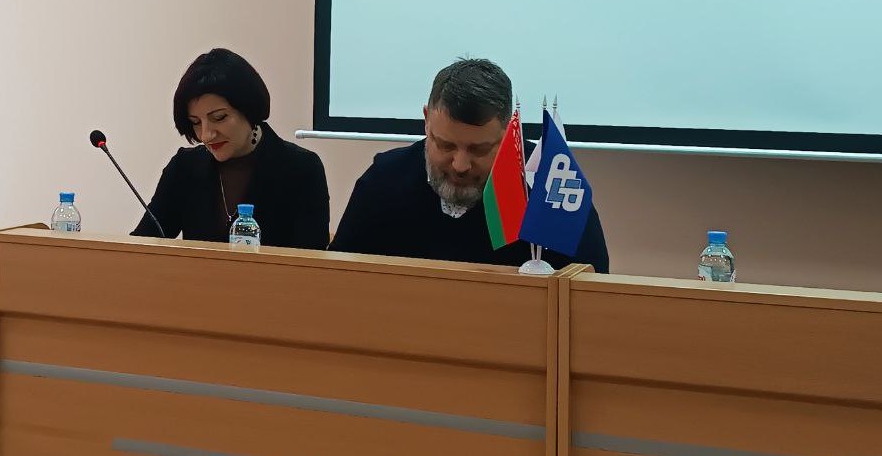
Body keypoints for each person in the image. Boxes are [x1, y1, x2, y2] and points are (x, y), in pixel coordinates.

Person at [329, 58, 609, 272]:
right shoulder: (384, 180)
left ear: (509, 131)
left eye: (479, 149)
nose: (460, 165)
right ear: (426, 120)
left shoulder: (551, 186)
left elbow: (595, 298)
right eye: (445, 145)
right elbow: (335, 279)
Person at [132, 48, 330, 249]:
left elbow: (312, 260)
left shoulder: (302, 168)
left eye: (219, 117)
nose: (206, 135)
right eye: (195, 122)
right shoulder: (184, 168)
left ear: (249, 109)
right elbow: (141, 246)